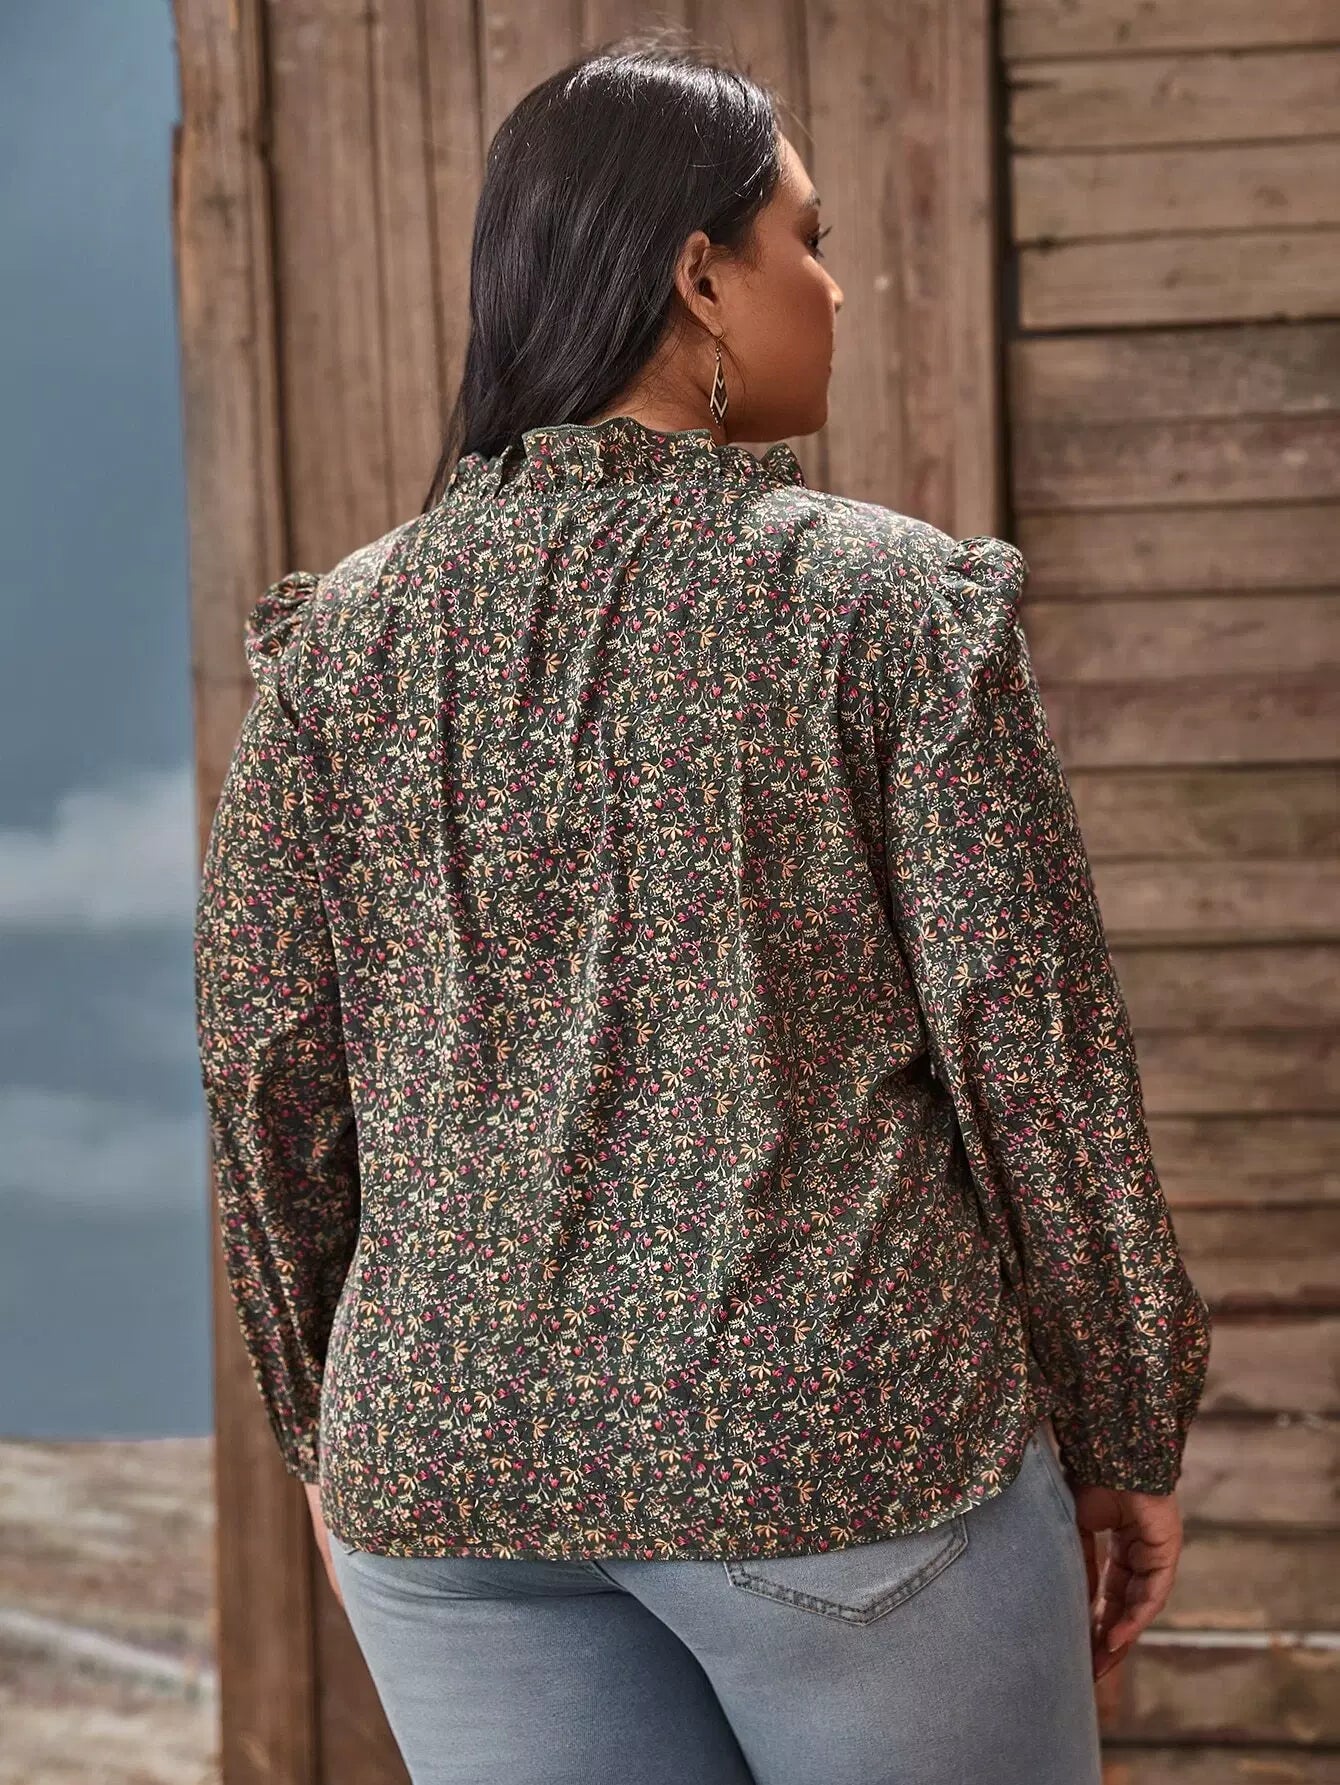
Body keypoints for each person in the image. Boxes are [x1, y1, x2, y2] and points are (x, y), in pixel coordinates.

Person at [193, 31, 1212, 1785]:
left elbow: (267, 1075)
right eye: (806, 239)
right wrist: (1124, 1418)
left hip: (452, 1473)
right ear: (700, 278)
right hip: (833, 1446)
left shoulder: (338, 644)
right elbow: (1033, 1058)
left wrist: (330, 1422)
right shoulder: (889, 609)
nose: (837, 286)